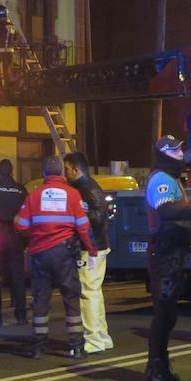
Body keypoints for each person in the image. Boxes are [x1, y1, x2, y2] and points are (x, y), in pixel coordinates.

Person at [15, 155, 97, 359]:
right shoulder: (72, 194)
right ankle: (77, 347)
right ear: (61, 173)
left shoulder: (34, 196)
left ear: (43, 173)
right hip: (65, 254)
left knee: (40, 300)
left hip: (40, 254)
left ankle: (38, 347)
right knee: (71, 298)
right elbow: (83, 226)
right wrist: (90, 248)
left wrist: (35, 233)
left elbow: (21, 225)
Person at [144, 135, 191, 381]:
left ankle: (157, 369)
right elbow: (167, 212)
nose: (181, 154)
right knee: (164, 315)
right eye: (175, 151)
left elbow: (175, 222)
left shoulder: (172, 179)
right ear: (164, 153)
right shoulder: (161, 179)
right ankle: (158, 374)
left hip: (172, 252)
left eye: (180, 149)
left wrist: (189, 242)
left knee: (168, 315)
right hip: (164, 256)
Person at [64, 151, 113, 354]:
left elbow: (101, 215)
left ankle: (93, 340)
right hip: (96, 247)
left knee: (88, 293)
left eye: (67, 169)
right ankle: (102, 336)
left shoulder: (85, 188)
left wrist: (79, 212)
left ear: (76, 170)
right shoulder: (88, 186)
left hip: (90, 249)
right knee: (94, 292)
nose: (65, 173)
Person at [0, 159, 28, 326]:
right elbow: (27, 213)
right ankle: (21, 315)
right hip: (16, 235)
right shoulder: (20, 189)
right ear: (11, 171)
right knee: (18, 277)